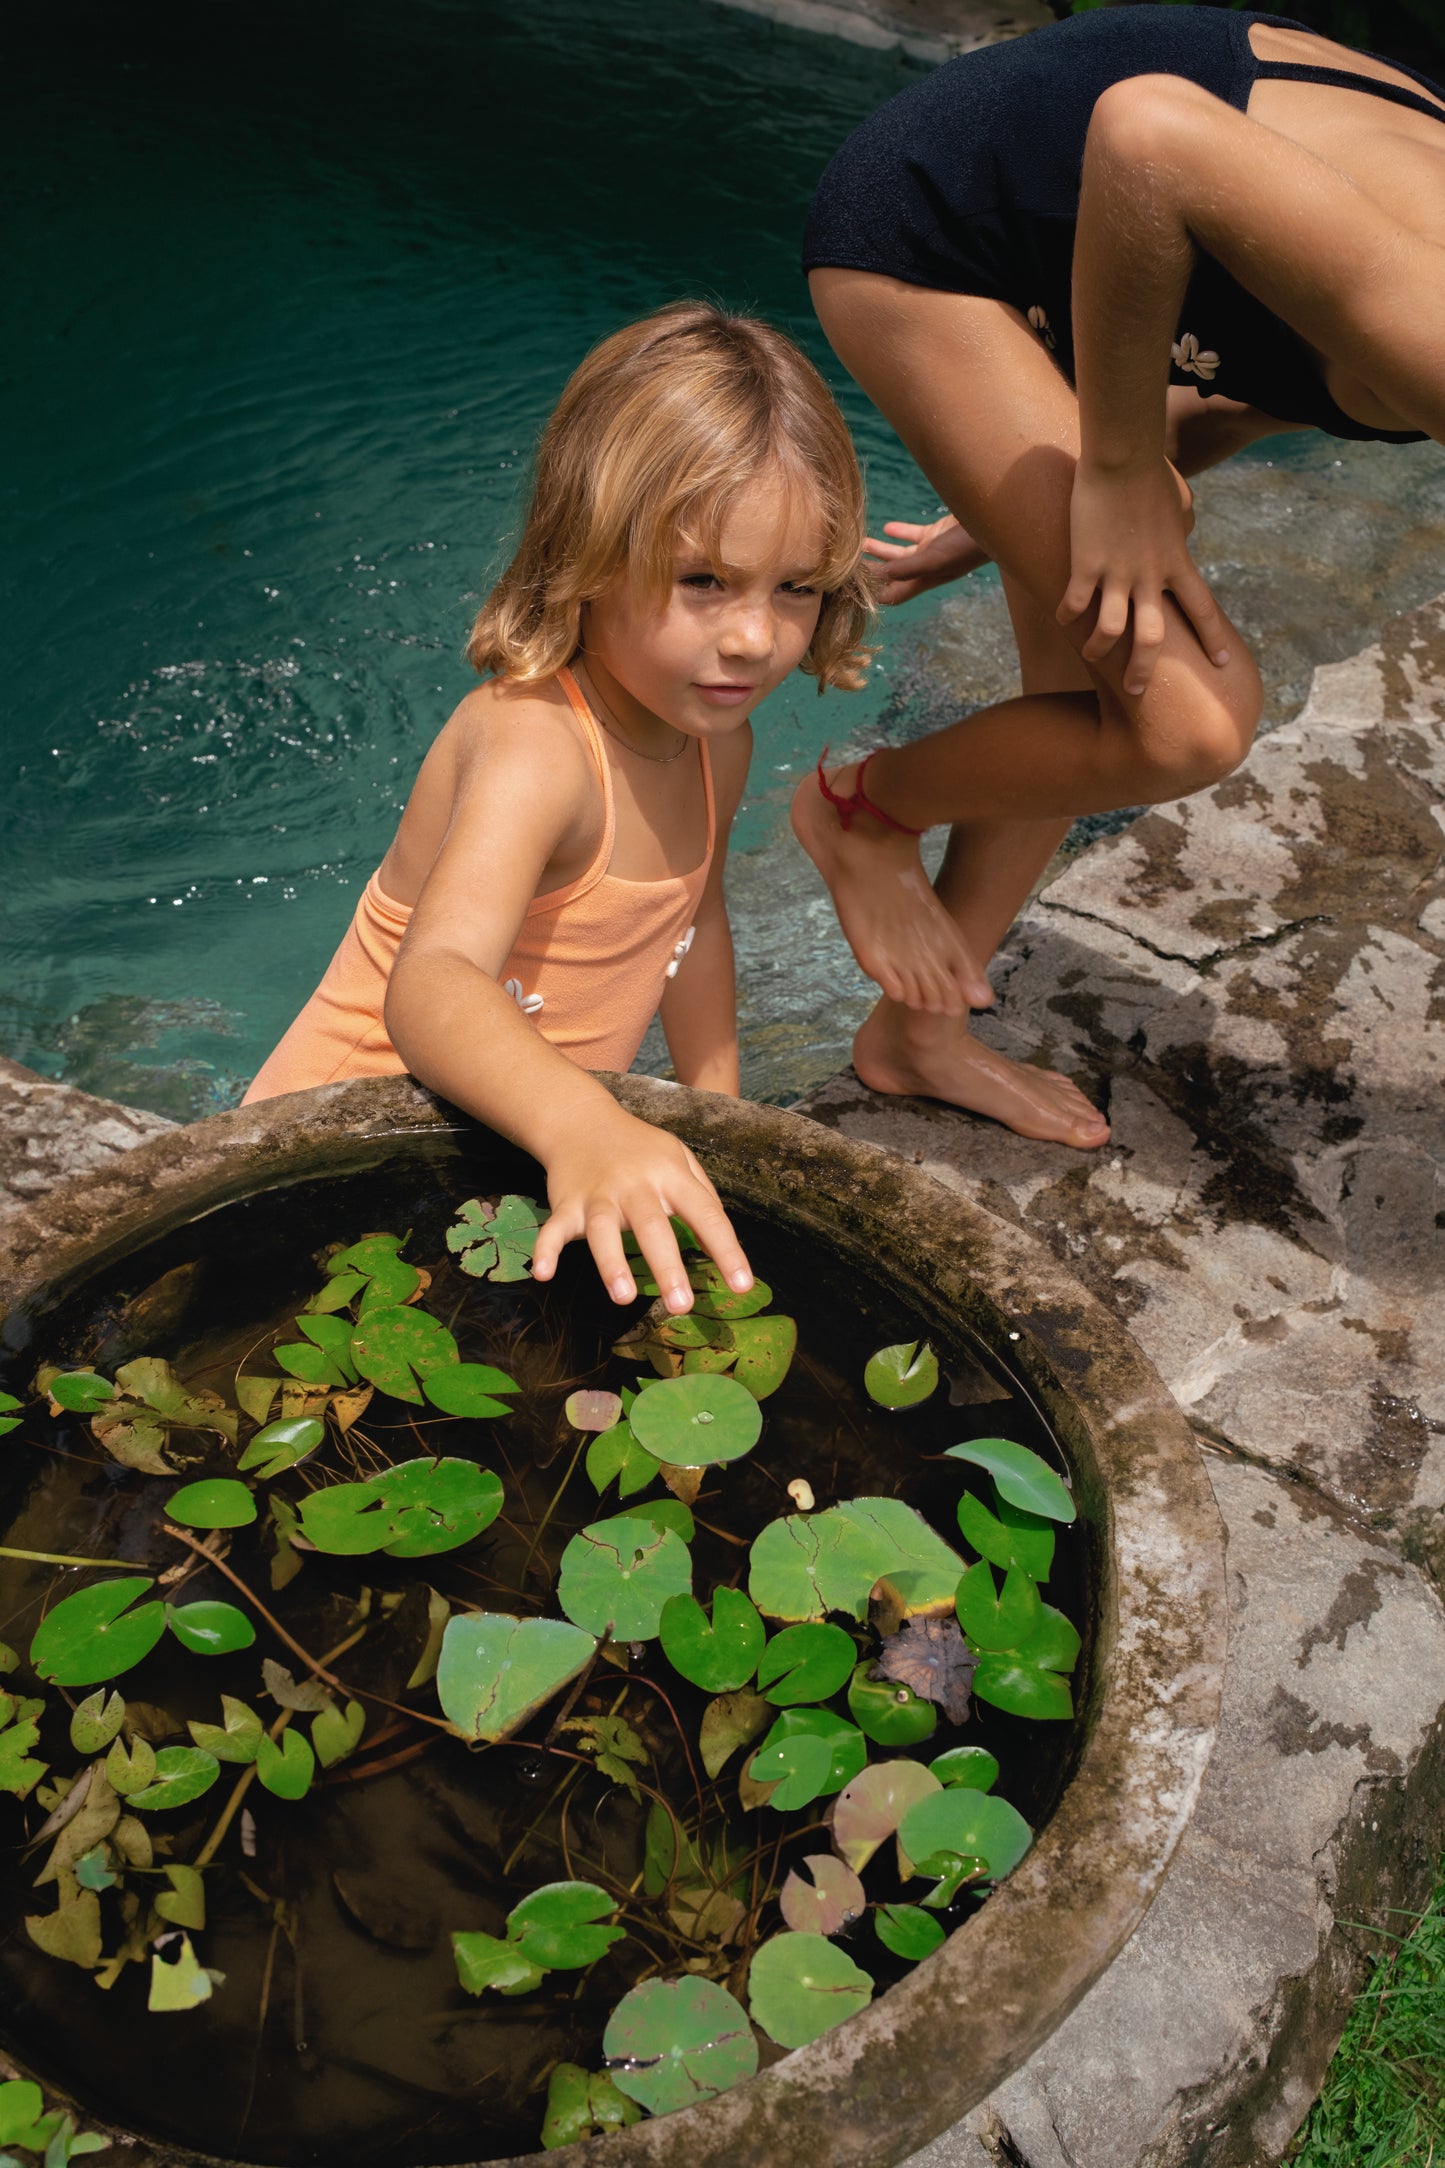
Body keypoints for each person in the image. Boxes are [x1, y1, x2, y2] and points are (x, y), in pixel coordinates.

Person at [796, 6, 1445, 1148]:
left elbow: (1267, 379)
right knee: (1186, 721)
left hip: (1083, 271)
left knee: (1092, 697)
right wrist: (1107, 467)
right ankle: (856, 809)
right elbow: (1145, 134)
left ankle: (915, 1038)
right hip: (935, 226)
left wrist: (1023, 507)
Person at [244, 304, 874, 1312]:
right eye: (703, 579)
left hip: (518, 1147)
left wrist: (719, 1120)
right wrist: (588, 1125)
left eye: (794, 588)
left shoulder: (717, 737)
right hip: (336, 1151)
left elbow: (691, 923)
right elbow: (435, 985)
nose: (755, 636)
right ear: (586, 554)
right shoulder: (536, 746)